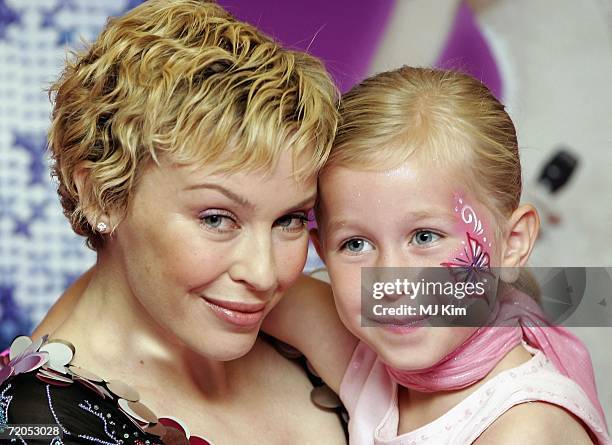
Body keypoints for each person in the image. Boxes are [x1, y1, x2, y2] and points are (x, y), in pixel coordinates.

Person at [0, 1, 347, 443]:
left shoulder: (305, 310)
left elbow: (457, 303)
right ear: (99, 194)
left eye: (290, 220)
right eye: (217, 218)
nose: (264, 274)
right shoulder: (40, 426)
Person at [264, 66, 610, 444]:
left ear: (512, 243)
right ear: (322, 255)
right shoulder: (366, 352)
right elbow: (243, 284)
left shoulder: (524, 431)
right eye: (356, 245)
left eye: (425, 236)